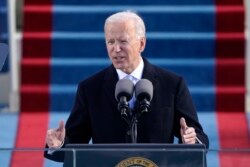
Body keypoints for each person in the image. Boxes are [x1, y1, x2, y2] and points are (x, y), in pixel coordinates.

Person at [44, 10, 209, 162]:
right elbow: (74, 143)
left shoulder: (172, 84)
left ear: (142, 44)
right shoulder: (89, 89)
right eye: (110, 41)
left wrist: (191, 140)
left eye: (123, 41)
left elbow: (198, 137)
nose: (116, 49)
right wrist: (58, 144)